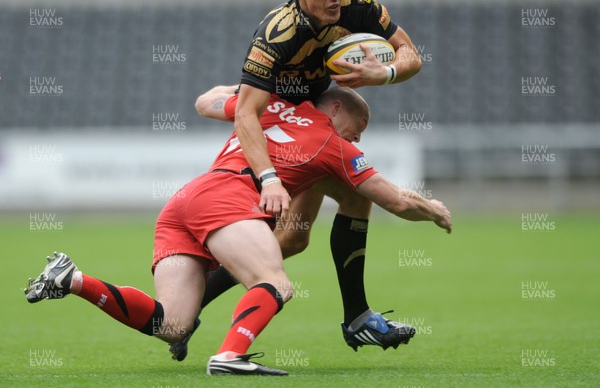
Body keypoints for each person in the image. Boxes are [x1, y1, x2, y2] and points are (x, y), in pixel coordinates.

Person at [24, 87, 451, 377]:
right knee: (275, 283)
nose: (358, 139)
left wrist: (246, 88)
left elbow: (206, 101)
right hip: (227, 198)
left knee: (171, 325)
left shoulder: (266, 106)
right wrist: (432, 208)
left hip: (184, 201)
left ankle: (73, 279)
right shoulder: (331, 144)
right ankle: (229, 355)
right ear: (335, 109)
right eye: (357, 129)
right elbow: (394, 200)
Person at [195, 0, 424, 355]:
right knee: (309, 223)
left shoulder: (360, 5)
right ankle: (355, 318)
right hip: (280, 124)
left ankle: (356, 319)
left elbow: (412, 55)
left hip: (314, 119)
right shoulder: (276, 31)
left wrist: (384, 72)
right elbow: (246, 113)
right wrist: (267, 177)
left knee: (294, 239)